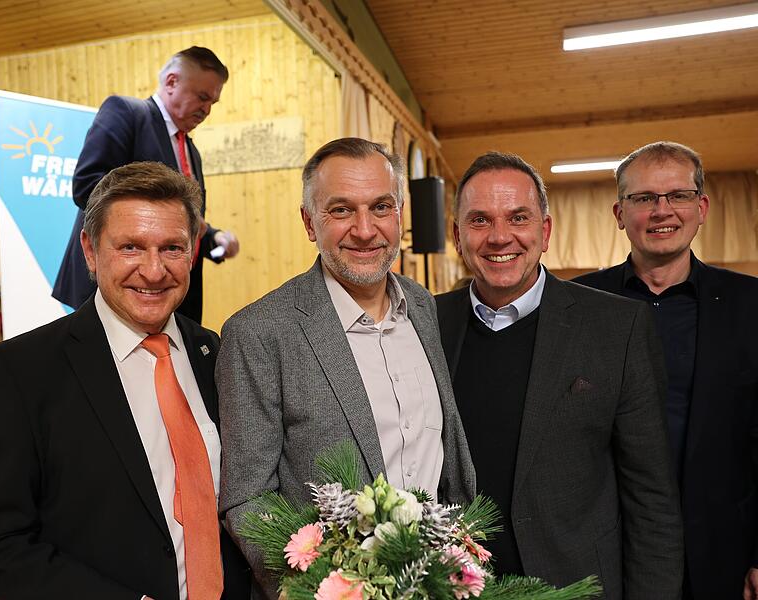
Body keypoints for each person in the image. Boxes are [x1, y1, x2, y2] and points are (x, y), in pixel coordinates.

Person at [0, 162, 249, 599]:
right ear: (91, 251)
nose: (153, 272)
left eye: (172, 248)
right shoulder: (21, 372)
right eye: (131, 247)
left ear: (192, 253)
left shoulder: (216, 353)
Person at [217, 137, 476, 599]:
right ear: (309, 222)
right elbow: (248, 498)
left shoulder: (421, 306)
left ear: (400, 214)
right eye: (341, 210)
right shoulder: (258, 332)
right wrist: (323, 590)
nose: (364, 229)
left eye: (381, 207)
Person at [437, 151, 684, 599]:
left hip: (576, 585)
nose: (499, 236)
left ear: (545, 231)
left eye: (518, 217)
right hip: (446, 586)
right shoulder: (424, 324)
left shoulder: (618, 327)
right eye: (479, 221)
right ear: (457, 235)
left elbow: (652, 501)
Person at [574, 141, 758, 600]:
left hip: (723, 550)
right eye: (643, 199)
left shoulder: (751, 305)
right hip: (605, 551)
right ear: (619, 213)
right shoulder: (574, 306)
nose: (662, 211)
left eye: (677, 195)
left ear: (701, 207)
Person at [53, 46, 239, 324]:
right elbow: (87, 185)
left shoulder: (190, 148)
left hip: (170, 295)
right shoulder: (127, 113)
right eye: (202, 97)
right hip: (115, 288)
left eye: (213, 102)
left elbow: (178, 214)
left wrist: (213, 236)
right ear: (172, 82)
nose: (207, 110)